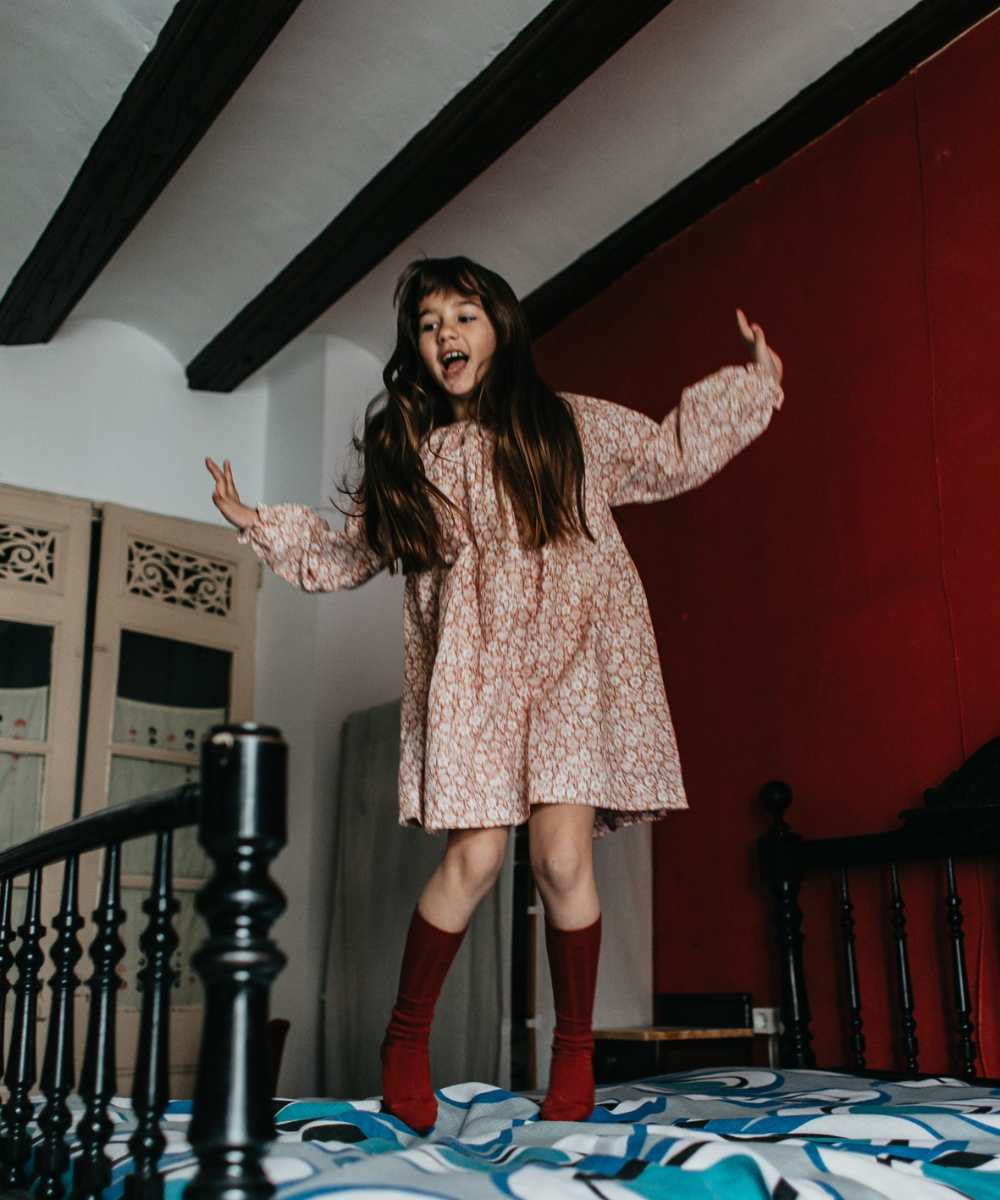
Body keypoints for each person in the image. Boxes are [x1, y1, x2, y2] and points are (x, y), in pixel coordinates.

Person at [206, 255, 784, 1132]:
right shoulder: (415, 455)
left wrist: (753, 386)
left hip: (578, 658)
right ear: (419, 349)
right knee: (475, 859)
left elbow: (668, 452)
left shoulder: (569, 423)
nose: (447, 334)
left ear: (500, 326)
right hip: (477, 672)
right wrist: (263, 526)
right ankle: (405, 1041)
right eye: (430, 323)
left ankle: (575, 1052)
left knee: (560, 859)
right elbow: (353, 553)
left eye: (464, 315)